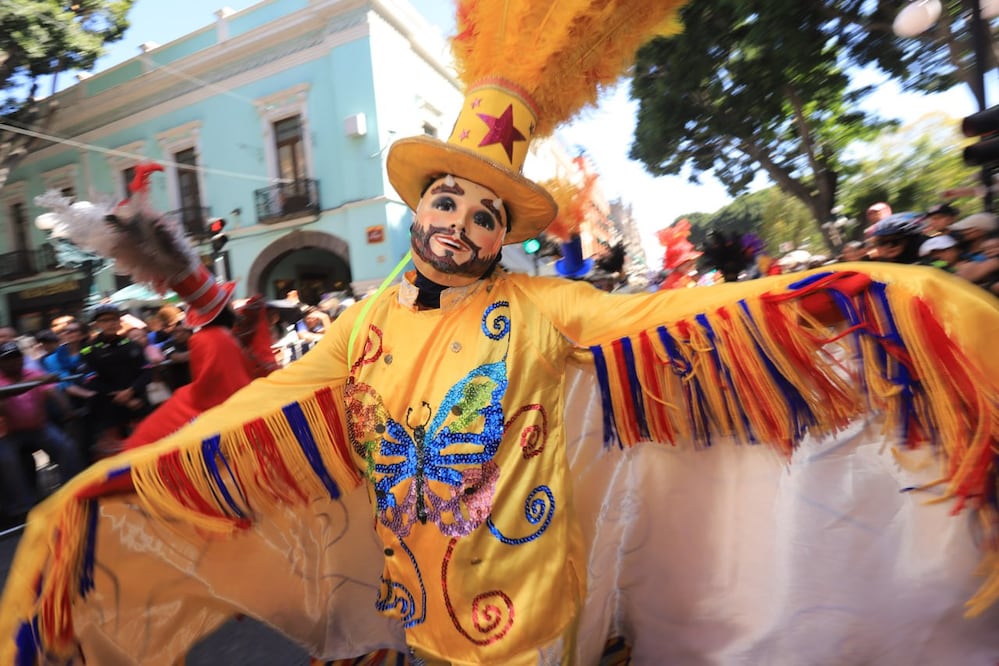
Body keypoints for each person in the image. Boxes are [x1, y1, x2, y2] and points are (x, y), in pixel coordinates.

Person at [4, 3, 999, 665]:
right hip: (415, 610)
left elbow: (678, 316)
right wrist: (123, 484)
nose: (463, 225)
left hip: (532, 617)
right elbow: (261, 407)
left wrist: (848, 298)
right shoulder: (368, 321)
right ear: (420, 207)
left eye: (487, 215)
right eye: (449, 201)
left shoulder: (542, 306)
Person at [0, 341, 83, 521]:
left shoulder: (33, 373)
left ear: (22, 359)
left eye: (16, 358)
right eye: (7, 360)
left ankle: (74, 491)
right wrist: (38, 381)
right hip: (8, 434)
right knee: (7, 460)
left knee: (66, 447)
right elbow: (6, 393)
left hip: (40, 427)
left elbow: (52, 392)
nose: (13, 363)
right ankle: (23, 507)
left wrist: (68, 412)